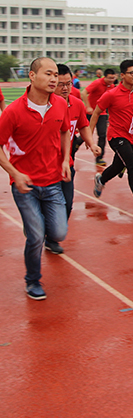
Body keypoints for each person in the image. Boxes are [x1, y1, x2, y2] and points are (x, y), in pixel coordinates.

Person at [0, 57, 71, 300]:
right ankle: (33, 281)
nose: (54, 79)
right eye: (48, 74)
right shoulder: (13, 112)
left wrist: (64, 159)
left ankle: (36, 227)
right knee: (36, 237)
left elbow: (65, 132)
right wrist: (14, 173)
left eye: (55, 74)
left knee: (59, 233)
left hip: (52, 183)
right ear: (32, 76)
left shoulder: (61, 104)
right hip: (25, 186)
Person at [44, 64, 101, 254]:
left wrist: (91, 143)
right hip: (43, 166)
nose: (65, 88)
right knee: (44, 205)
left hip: (65, 164)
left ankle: (52, 237)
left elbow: (84, 125)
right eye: (61, 84)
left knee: (67, 203)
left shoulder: (76, 103)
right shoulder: (44, 106)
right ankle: (41, 230)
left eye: (68, 84)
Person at [89, 60, 133, 213]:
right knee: (132, 165)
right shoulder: (111, 94)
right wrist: (89, 138)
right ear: (122, 75)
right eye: (132, 73)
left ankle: (101, 179)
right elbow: (96, 112)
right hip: (116, 136)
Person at [81, 68, 117, 166]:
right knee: (85, 134)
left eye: (113, 78)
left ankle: (99, 158)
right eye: (109, 78)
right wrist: (88, 106)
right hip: (91, 112)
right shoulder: (97, 83)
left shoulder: (112, 86)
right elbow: (84, 92)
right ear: (104, 77)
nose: (111, 80)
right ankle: (74, 147)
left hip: (102, 113)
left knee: (102, 135)